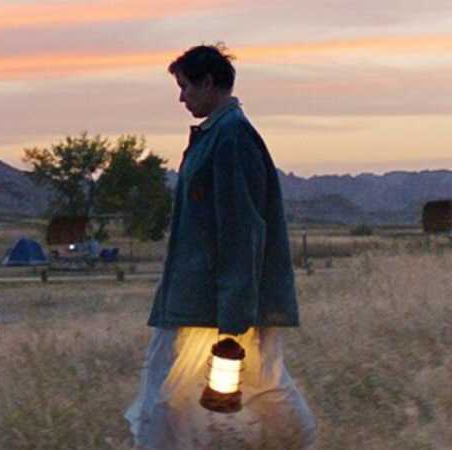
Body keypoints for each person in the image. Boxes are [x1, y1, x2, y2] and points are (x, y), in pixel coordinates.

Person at [124, 44, 317, 449]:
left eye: (185, 86)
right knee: (180, 386)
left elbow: (241, 227)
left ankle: (297, 441)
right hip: (197, 292)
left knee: (192, 387)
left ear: (209, 83)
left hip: (210, 296)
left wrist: (234, 311)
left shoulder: (232, 138)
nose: (181, 98)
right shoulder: (218, 135)